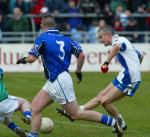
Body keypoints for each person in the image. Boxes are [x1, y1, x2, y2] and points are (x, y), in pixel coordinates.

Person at [16, 15, 123, 137]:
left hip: (58, 80)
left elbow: (31, 58)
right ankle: (33, 135)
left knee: (75, 114)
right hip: (55, 80)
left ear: (41, 25)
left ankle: (114, 122)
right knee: (35, 107)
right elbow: (81, 55)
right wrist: (78, 71)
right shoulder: (67, 39)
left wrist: (22, 60)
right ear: (54, 25)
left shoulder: (42, 38)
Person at [56, 25, 144, 133]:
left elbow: (116, 47)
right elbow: (140, 55)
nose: (100, 40)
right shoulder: (122, 40)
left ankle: (121, 123)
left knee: (105, 102)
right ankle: (76, 112)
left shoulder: (118, 40)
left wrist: (106, 63)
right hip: (124, 75)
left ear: (108, 35)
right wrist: (135, 66)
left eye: (101, 37)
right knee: (100, 96)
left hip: (130, 78)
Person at [0, 68, 32, 137]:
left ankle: (15, 128)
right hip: (3, 103)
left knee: (4, 117)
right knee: (23, 102)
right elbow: (1, 72)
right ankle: (28, 116)